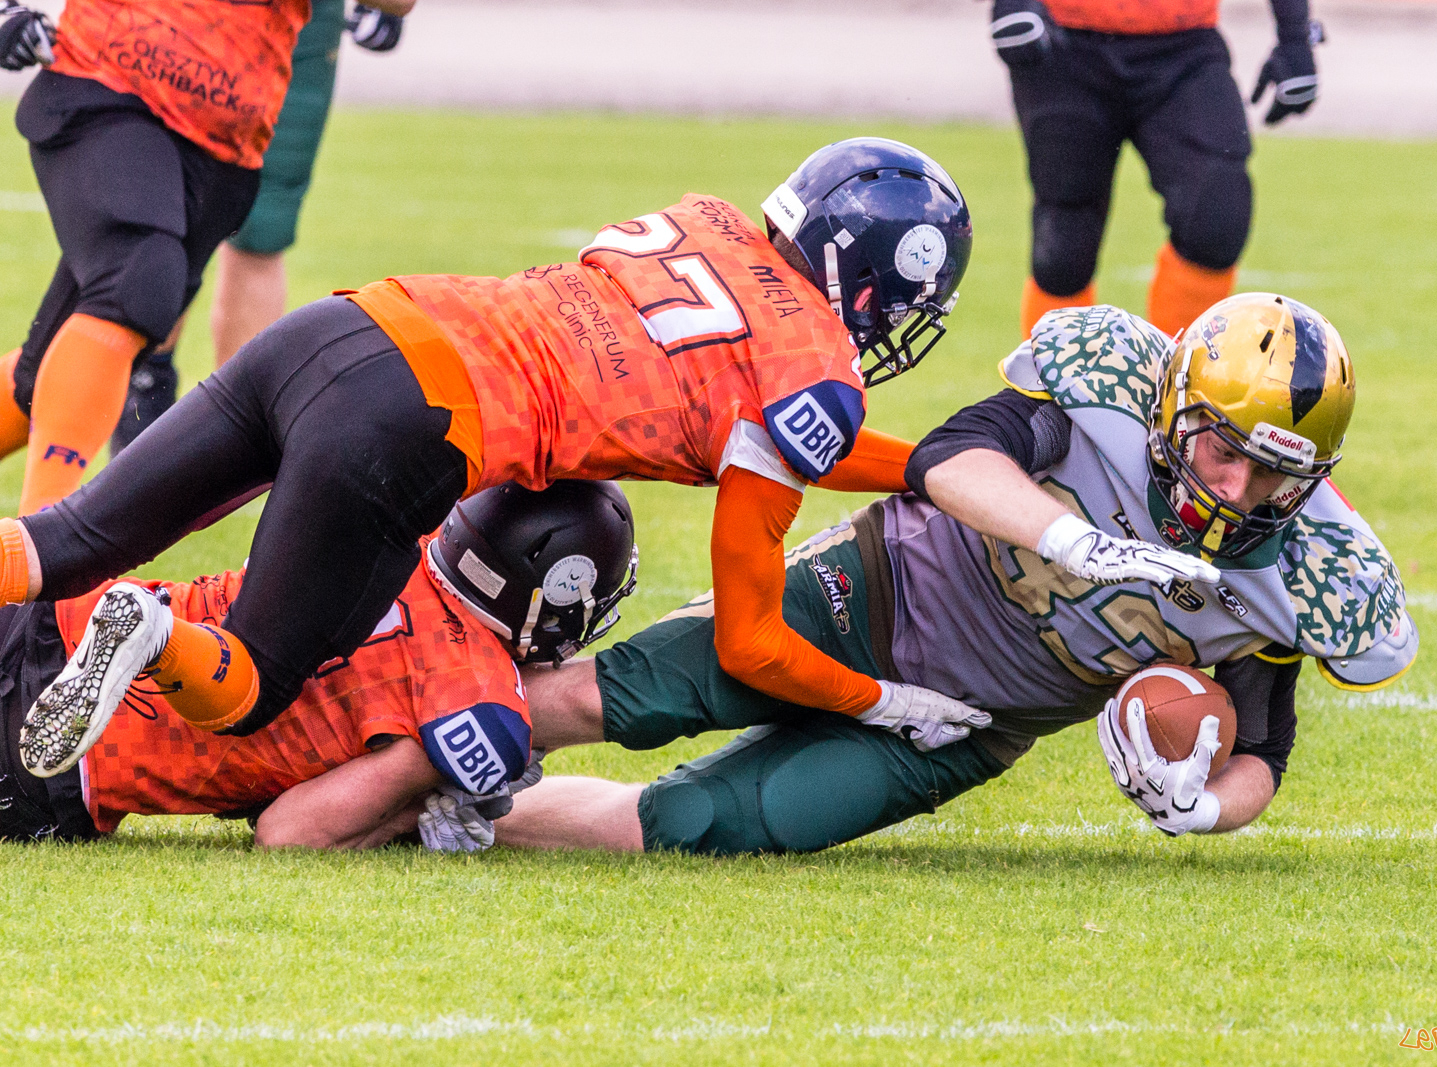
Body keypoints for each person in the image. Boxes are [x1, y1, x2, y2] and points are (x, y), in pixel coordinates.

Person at [6, 137, 987, 783]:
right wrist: (893, 703)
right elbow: (748, 641)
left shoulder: (707, 220)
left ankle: (110, 597)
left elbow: (749, 407)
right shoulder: (807, 375)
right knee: (251, 682)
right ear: (872, 285)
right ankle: (153, 629)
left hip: (352, 322)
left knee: (68, 539)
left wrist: (918, 469)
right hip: (411, 424)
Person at [416, 294, 1417, 854]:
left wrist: (1204, 804)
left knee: (688, 825)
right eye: (1217, 447)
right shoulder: (1103, 386)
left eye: (1272, 470)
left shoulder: (1311, 573)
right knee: (608, 697)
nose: (1235, 486)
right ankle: (326, 761)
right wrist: (1070, 539)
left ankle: (442, 830)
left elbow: (1262, 749)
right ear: (1168, 415)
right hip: (868, 593)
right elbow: (947, 457)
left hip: (963, 729)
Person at [0, 480, 638, 847]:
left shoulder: (404, 526)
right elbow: (288, 833)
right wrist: (420, 800)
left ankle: (162, 632)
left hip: (54, 613)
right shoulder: (479, 700)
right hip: (73, 764)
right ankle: (160, 640)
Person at [0, 0, 416, 514]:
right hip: (111, 75)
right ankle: (37, 572)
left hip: (227, 132)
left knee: (50, 370)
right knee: (134, 286)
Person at [110, 2, 412, 453]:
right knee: (164, 212)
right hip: (180, 18)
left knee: (263, 224)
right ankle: (147, 384)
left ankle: (234, 430)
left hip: (296, 23)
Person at [990, 0, 1323, 339]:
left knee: (1216, 213)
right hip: (1065, 39)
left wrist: (1294, 36)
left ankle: (1175, 378)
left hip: (1184, 42)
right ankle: (1055, 386)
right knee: (1064, 246)